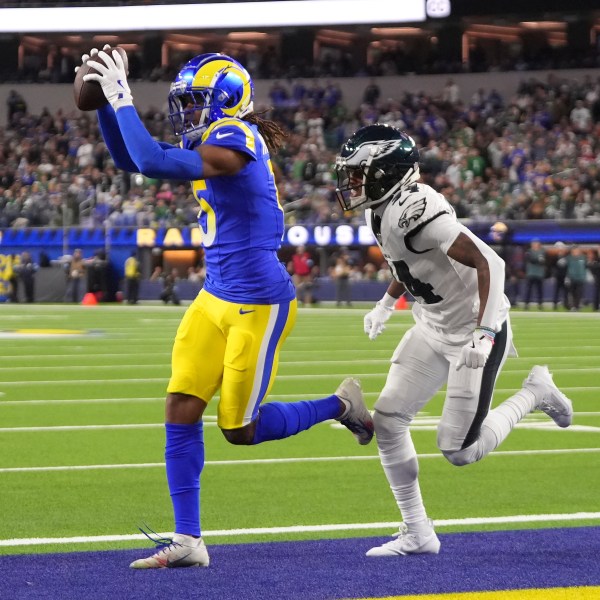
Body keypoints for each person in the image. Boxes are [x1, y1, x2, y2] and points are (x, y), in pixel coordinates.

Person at [80, 47, 373, 568]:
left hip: (258, 302)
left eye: (194, 102)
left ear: (227, 101)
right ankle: (188, 540)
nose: (185, 112)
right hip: (214, 295)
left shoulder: (238, 138)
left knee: (240, 429)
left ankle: (341, 405)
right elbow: (131, 160)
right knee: (181, 405)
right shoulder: (212, 139)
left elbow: (148, 159)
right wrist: (104, 105)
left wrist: (123, 96)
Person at [334, 123, 573, 557]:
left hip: (475, 329)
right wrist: (387, 303)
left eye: (358, 173)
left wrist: (484, 334)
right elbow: (408, 264)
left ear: (387, 173)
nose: (350, 182)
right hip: (432, 324)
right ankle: (418, 532)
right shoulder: (379, 210)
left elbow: (491, 262)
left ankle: (535, 393)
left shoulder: (418, 209)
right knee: (388, 420)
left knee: (459, 451)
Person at [523, 239, 546, 310]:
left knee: (540, 290)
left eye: (536, 243)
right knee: (528, 290)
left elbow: (543, 261)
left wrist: (539, 261)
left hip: (539, 273)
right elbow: (530, 259)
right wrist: (538, 260)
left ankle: (540, 304)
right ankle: (526, 304)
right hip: (531, 273)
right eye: (534, 243)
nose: (535, 245)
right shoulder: (529, 251)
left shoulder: (542, 251)